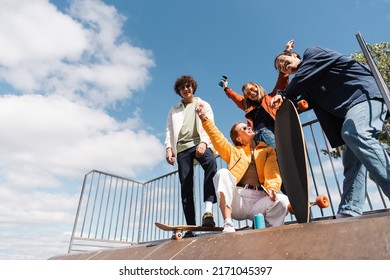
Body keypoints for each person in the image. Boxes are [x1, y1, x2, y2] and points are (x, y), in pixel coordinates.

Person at [271, 45, 390, 218]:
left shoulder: (313, 53)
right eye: (280, 67)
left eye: (283, 60)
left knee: (355, 134)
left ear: (295, 56)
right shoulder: (308, 84)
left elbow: (304, 75)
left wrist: (284, 93)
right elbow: (305, 100)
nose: (282, 66)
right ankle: (350, 209)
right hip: (354, 108)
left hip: (366, 96)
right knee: (352, 162)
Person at [196, 104, 289, 232]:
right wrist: (204, 118)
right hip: (238, 200)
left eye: (248, 126)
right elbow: (218, 138)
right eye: (244, 128)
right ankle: (228, 224)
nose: (248, 128)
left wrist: (272, 188)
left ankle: (271, 230)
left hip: (259, 200)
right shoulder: (233, 152)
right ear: (239, 138)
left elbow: (272, 171)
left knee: (283, 201)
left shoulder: (268, 151)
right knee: (222, 173)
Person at [165, 75, 217, 237]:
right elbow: (169, 130)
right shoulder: (174, 109)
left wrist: (204, 143)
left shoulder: (203, 104)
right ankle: (190, 227)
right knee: (185, 186)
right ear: (179, 91)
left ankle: (208, 212)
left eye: (188, 86)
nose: (186, 89)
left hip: (200, 142)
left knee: (211, 164)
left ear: (193, 87)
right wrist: (168, 148)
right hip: (181, 148)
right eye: (182, 87)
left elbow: (210, 126)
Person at [219, 40, 296, 148]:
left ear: (257, 87)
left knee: (284, 154)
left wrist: (287, 51)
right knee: (271, 143)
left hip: (277, 130)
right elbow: (235, 97)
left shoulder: (271, 97)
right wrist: (226, 88)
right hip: (261, 134)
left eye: (252, 89)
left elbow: (282, 77)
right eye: (248, 94)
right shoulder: (248, 105)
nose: (251, 93)